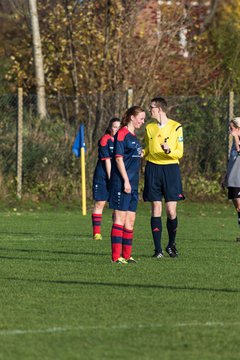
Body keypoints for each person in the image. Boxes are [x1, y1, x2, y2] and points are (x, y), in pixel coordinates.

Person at [143, 96, 184, 258]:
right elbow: (148, 147)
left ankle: (171, 244)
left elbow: (179, 152)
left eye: (151, 107)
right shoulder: (149, 127)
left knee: (171, 210)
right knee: (156, 208)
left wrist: (169, 151)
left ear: (159, 109)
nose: (149, 110)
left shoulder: (176, 127)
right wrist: (142, 152)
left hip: (170, 170)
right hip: (153, 168)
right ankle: (157, 249)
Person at [109, 106, 145, 264]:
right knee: (120, 219)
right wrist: (125, 180)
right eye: (141, 118)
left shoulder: (134, 136)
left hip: (133, 184)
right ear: (132, 117)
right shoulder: (122, 134)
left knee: (130, 220)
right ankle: (116, 257)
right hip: (122, 183)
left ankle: (127, 255)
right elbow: (118, 159)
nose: (142, 122)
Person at [92, 117, 121, 240]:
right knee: (100, 203)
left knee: (117, 205)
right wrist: (111, 178)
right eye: (114, 127)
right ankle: (96, 233)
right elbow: (108, 162)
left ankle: (116, 232)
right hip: (103, 176)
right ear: (110, 127)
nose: (116, 129)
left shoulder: (122, 141)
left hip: (116, 176)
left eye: (119, 127)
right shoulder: (105, 140)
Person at [223, 117, 240, 241]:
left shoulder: (237, 140)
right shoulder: (234, 143)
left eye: (232, 128)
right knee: (238, 208)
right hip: (233, 179)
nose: (230, 130)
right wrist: (226, 176)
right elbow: (232, 162)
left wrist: (235, 136)